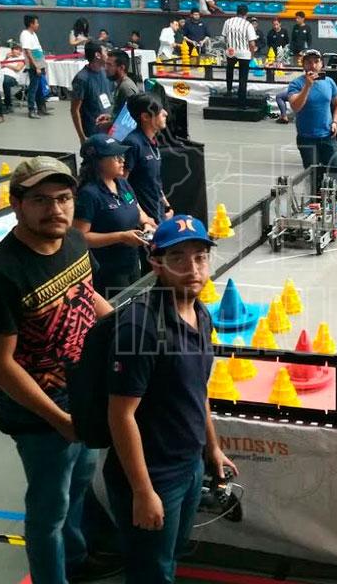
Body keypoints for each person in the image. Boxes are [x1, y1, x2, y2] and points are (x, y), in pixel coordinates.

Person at [0, 157, 122, 584]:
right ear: (16, 204)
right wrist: (59, 420)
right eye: (40, 200)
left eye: (64, 198)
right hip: (40, 417)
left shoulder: (73, 242)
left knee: (80, 484)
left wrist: (128, 333)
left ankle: (75, 559)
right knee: (48, 511)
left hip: (82, 397)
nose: (55, 209)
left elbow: (88, 297)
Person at [105, 213, 237, 583]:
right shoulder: (140, 326)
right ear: (157, 264)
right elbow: (121, 415)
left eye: (200, 257)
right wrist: (142, 491)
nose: (192, 269)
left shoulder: (201, 314)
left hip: (189, 466)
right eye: (178, 258)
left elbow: (197, 389)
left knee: (171, 556)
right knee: (152, 570)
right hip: (154, 476)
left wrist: (211, 449)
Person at [73, 134, 156, 299]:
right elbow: (81, 237)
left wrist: (146, 225)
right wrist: (121, 237)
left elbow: (138, 211)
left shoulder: (122, 183)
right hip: (108, 272)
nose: (122, 160)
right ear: (98, 162)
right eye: (115, 156)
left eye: (122, 155)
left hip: (132, 263)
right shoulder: (89, 195)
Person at [288, 49, 337, 190]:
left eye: (316, 62)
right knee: (314, 179)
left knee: (336, 174)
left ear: (321, 64)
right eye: (308, 62)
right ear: (303, 65)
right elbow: (295, 107)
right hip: (307, 139)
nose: (312, 65)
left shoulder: (329, 82)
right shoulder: (296, 84)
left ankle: (336, 200)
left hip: (328, 136)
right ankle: (315, 202)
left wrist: (335, 122)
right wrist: (307, 86)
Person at [122, 93, 173, 223]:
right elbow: (121, 185)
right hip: (145, 221)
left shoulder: (152, 141)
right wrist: (140, 214)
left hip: (159, 214)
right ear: (145, 117)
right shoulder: (133, 143)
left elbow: (154, 181)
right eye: (160, 111)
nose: (165, 113)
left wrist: (167, 205)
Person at [70, 41, 113, 145]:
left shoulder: (105, 72)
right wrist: (82, 137)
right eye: (105, 52)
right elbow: (75, 110)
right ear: (98, 55)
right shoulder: (82, 79)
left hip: (109, 128)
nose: (108, 54)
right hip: (93, 132)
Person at [221, 4, 258, 107]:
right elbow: (252, 43)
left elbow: (224, 38)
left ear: (236, 12)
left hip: (231, 51)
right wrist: (252, 55)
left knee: (229, 71)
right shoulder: (248, 25)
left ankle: (229, 91)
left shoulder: (228, 22)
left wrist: (229, 47)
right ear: (246, 14)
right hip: (244, 53)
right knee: (243, 77)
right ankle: (241, 102)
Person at [20, 14, 50, 119]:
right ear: (31, 24)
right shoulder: (25, 34)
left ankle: (41, 108)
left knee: (40, 87)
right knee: (33, 88)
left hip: (39, 61)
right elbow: (28, 52)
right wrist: (36, 66)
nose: (38, 24)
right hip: (34, 65)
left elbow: (37, 50)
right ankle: (31, 110)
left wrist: (42, 63)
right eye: (36, 23)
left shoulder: (33, 34)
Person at [106, 49, 139, 118]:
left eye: (109, 65)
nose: (106, 68)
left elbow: (131, 118)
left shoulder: (126, 88)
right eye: (106, 64)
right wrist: (110, 118)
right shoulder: (119, 84)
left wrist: (110, 122)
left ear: (121, 68)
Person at [2, 43, 26, 112]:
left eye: (20, 50)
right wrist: (6, 58)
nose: (18, 52)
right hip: (2, 74)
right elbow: (0, 66)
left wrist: (6, 65)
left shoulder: (22, 59)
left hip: (13, 76)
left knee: (6, 82)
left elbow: (18, 68)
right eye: (16, 49)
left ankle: (8, 105)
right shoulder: (9, 58)